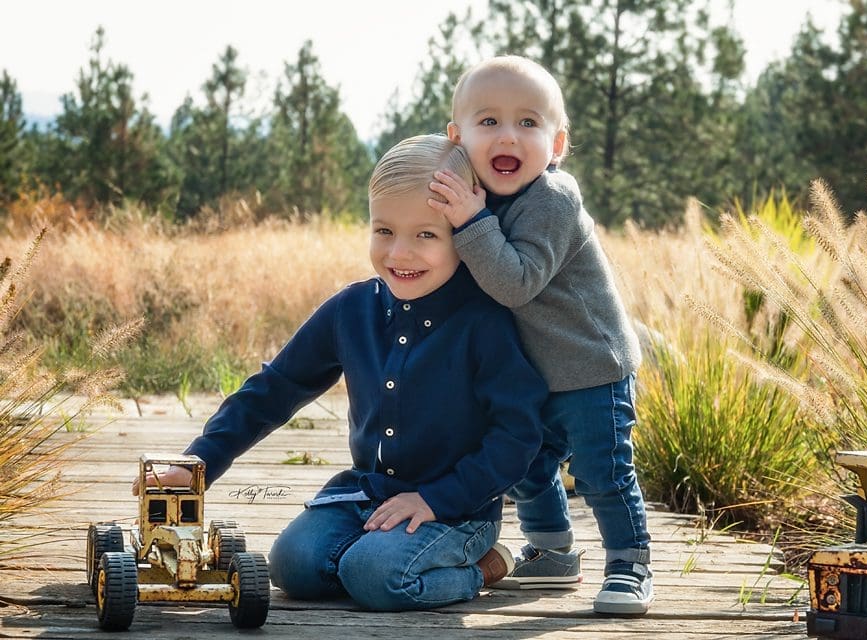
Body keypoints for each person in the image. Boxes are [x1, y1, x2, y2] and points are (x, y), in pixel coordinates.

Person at [132, 134, 549, 612]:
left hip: (455, 509)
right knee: (291, 566)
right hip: (365, 493)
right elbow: (274, 389)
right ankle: (369, 556)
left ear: (466, 233)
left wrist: (437, 499)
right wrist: (197, 463)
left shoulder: (484, 322)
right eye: (384, 231)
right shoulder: (351, 310)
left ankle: (484, 567)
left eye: (427, 235)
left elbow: (518, 434)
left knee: (376, 576)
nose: (399, 254)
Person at [428, 55, 654, 616]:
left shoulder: (553, 198)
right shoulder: (481, 196)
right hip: (533, 371)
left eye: (529, 123)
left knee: (603, 472)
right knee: (525, 463)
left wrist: (472, 224)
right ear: (457, 140)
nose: (509, 135)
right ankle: (553, 550)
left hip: (589, 366)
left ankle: (630, 562)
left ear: (557, 145)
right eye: (489, 122)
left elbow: (514, 283)